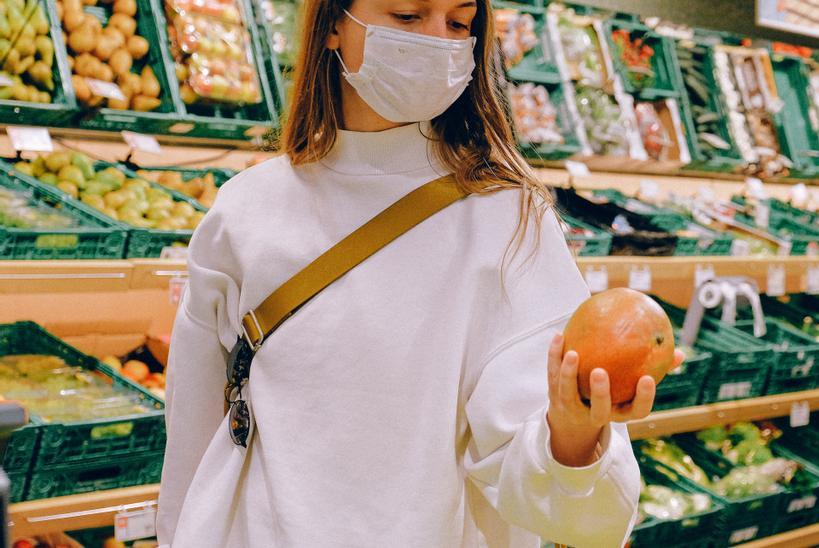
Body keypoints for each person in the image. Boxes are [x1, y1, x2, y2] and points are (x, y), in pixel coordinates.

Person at [157, 0, 682, 545]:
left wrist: (574, 436)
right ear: (333, 23)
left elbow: (561, 499)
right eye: (409, 16)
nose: (438, 41)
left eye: (459, 24)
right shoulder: (245, 211)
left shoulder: (508, 221)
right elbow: (194, 434)